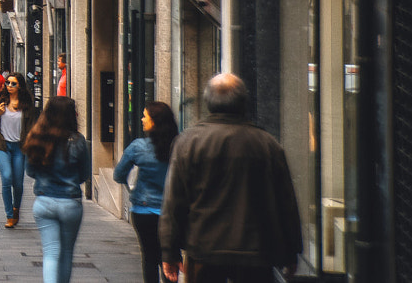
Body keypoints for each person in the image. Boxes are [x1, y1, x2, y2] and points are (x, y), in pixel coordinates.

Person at [160, 75, 302, 283]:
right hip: (255, 251)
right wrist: (291, 250)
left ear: (208, 102)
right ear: (243, 101)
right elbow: (286, 202)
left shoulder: (188, 143)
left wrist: (169, 251)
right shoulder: (266, 144)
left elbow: (173, 202)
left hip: (203, 249)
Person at [25, 96, 91, 283]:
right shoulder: (78, 141)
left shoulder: (37, 136)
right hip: (70, 202)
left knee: (51, 253)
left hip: (44, 201)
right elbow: (84, 174)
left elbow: (30, 171)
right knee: (67, 252)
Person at [116, 101, 179, 283]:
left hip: (144, 210)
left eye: (146, 116)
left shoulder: (138, 146)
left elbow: (119, 174)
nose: (142, 119)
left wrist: (132, 188)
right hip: (172, 212)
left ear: (155, 121)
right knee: (169, 256)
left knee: (149, 258)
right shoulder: (179, 145)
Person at [0, 72, 36, 228]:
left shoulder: (27, 103)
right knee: (7, 177)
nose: (9, 86)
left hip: (19, 147)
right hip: (2, 145)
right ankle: (9, 215)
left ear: (20, 86)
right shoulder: (0, 99)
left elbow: (31, 126)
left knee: (18, 182)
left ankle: (16, 208)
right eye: (7, 83)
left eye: (13, 84)